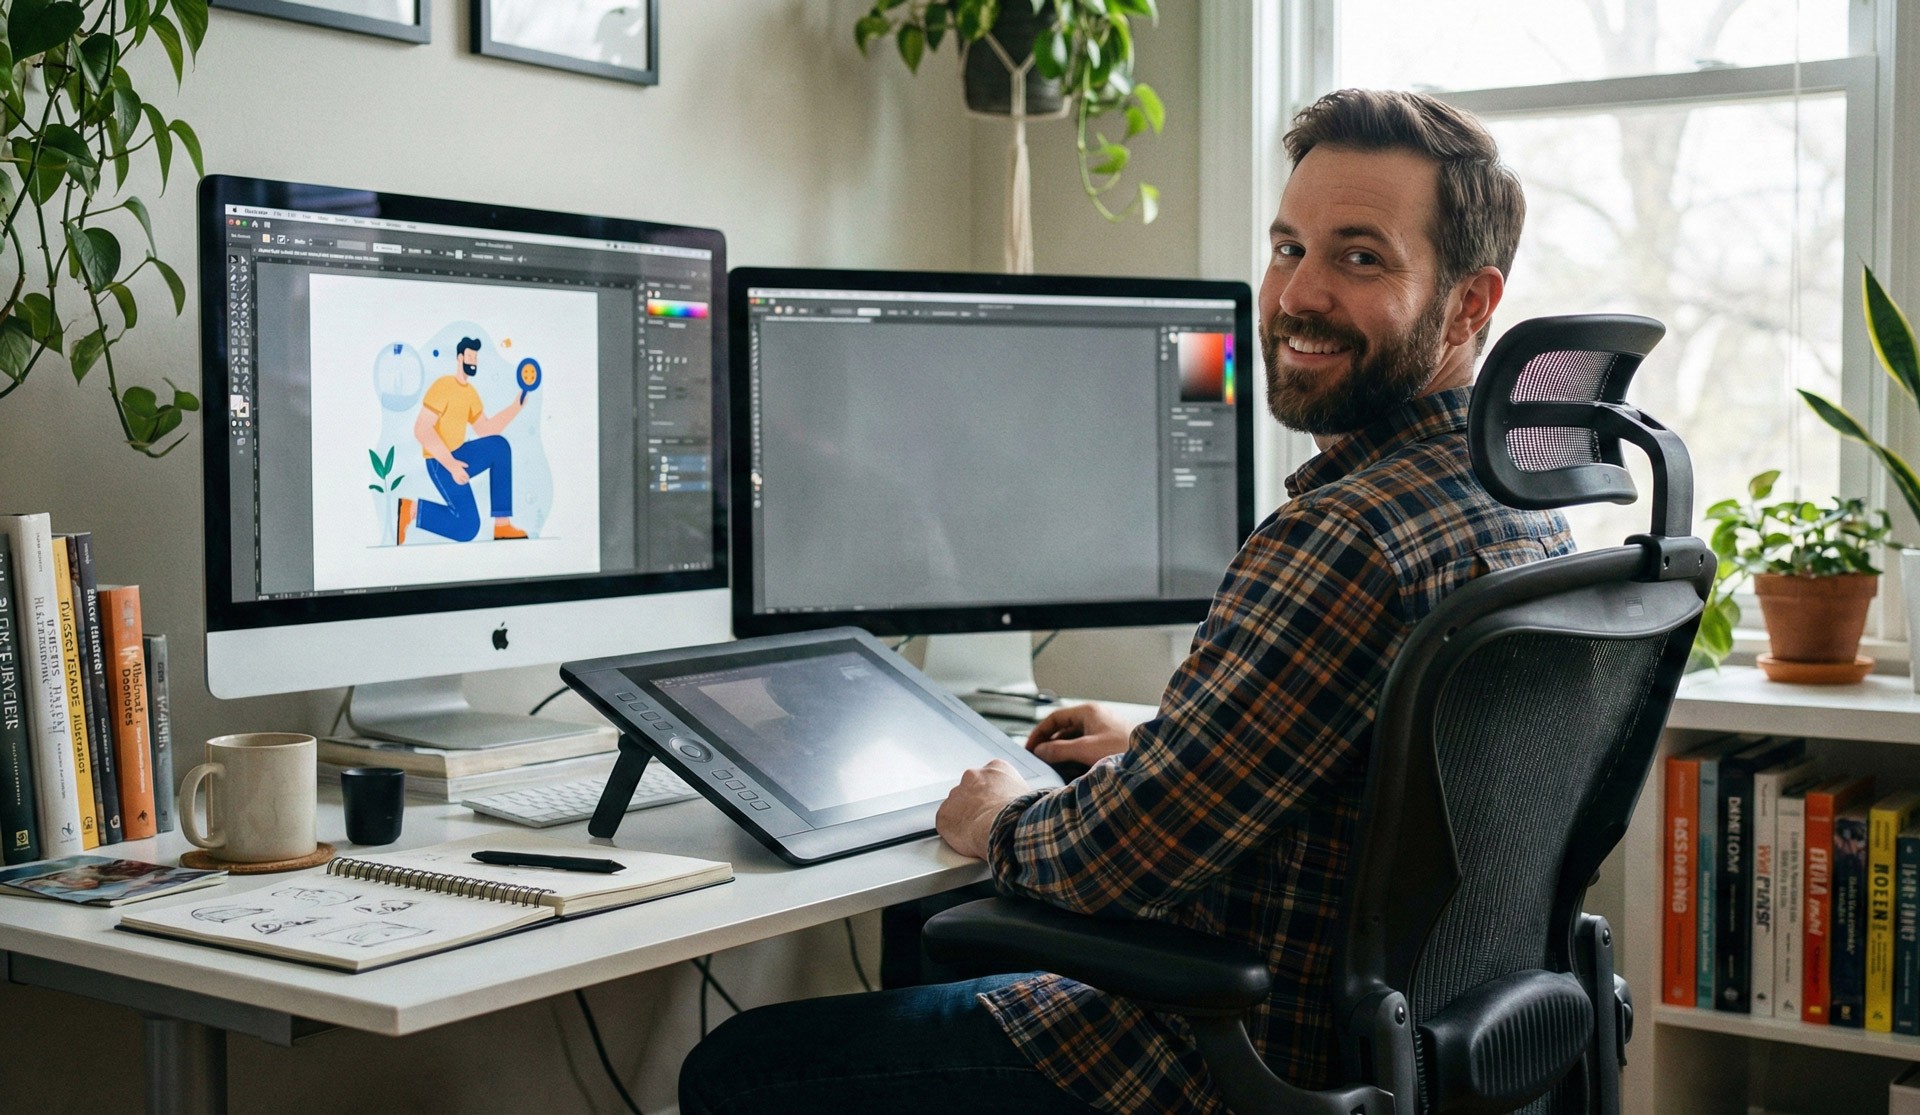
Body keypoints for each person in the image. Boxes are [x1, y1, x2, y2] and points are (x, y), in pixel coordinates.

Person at [678, 88, 1576, 1115]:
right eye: (1289, 247)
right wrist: (1162, 735)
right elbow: (1392, 762)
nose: (1297, 293)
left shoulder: (1345, 534)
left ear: (1469, 302)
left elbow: (1123, 857)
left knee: (740, 1067)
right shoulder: (1517, 507)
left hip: (1217, 1063)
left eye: (1359, 256)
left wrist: (1004, 817)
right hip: (1398, 1054)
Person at [396, 336, 529, 544]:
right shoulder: (443, 386)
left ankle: (502, 525)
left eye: (475, 357)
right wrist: (451, 465)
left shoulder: (470, 394)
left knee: (499, 447)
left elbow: (486, 430)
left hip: (460, 453)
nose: (473, 361)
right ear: (459, 358)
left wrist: (515, 408)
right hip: (439, 460)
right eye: (469, 356)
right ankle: (411, 509)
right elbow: (421, 430)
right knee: (468, 528)